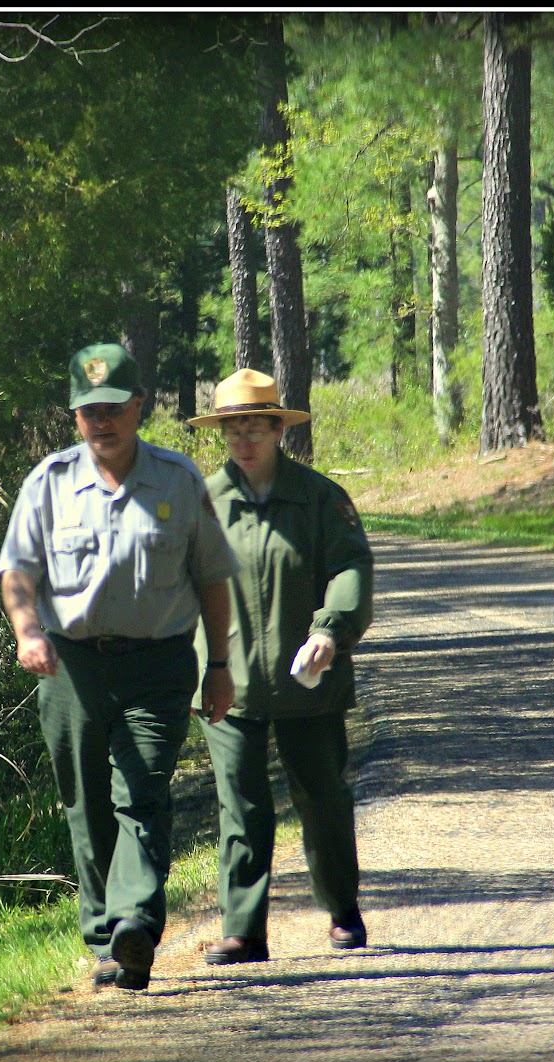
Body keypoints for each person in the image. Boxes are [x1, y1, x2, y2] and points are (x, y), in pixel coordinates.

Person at [0, 343, 237, 991]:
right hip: (71, 664)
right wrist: (27, 633)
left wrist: (219, 663)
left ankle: (133, 921)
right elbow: (17, 570)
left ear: (140, 407)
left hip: (158, 664)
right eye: (87, 410)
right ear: (74, 416)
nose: (100, 421)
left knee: (143, 789)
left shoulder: (179, 480)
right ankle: (108, 939)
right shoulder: (47, 483)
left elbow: (212, 577)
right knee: (88, 802)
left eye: (112, 408)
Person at [185, 368, 375, 963]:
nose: (244, 439)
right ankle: (244, 929)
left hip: (308, 679)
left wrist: (331, 630)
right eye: (232, 428)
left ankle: (342, 908)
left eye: (255, 427)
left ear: (277, 429)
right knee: (239, 802)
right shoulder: (202, 502)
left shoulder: (321, 499)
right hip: (226, 681)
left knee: (321, 797)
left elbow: (352, 570)